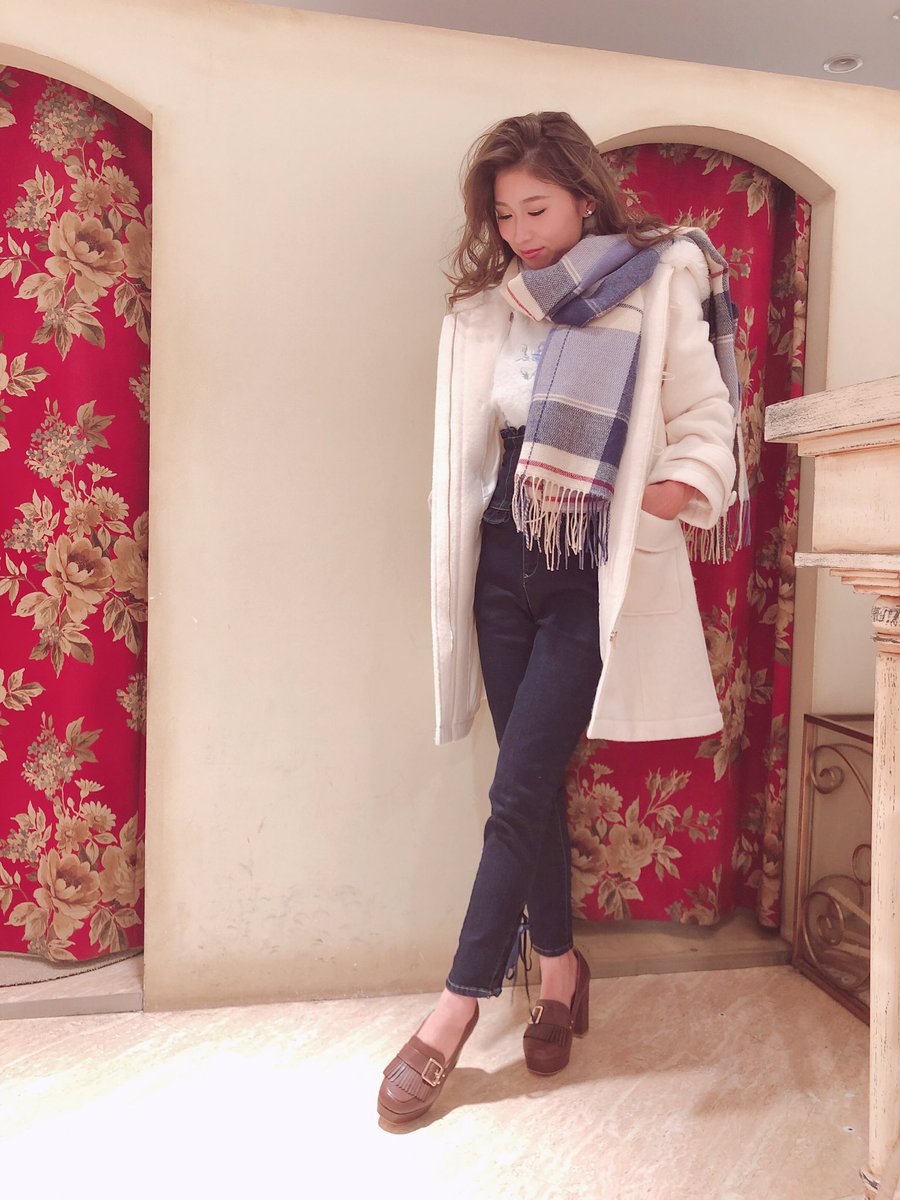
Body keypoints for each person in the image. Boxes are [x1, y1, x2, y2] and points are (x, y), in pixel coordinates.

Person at [377, 112, 746, 1125]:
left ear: (586, 196)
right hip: (503, 550)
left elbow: (706, 417)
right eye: (503, 215)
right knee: (525, 781)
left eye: (537, 208)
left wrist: (669, 490)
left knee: (518, 787)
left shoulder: (657, 282)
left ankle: (455, 1008)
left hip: (591, 560)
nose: (520, 233)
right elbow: (475, 441)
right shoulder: (489, 306)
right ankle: (560, 969)